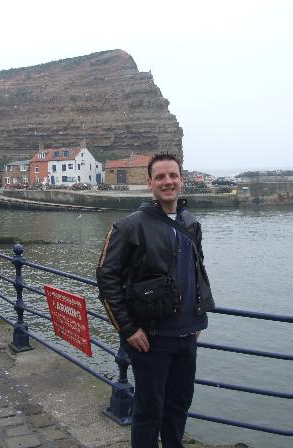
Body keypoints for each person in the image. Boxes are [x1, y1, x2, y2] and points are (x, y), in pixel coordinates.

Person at [96, 153, 215, 448]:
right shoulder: (129, 226)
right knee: (149, 410)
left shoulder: (190, 222)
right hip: (151, 337)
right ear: (150, 183)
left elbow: (196, 269)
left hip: (187, 334)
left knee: (179, 405)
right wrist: (128, 328)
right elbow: (106, 277)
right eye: (160, 177)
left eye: (173, 176)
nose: (167, 182)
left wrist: (198, 316)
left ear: (181, 180)